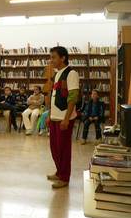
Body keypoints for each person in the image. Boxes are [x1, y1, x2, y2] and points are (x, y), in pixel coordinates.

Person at [47, 46, 80, 189]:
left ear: (63, 58)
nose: (51, 60)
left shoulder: (71, 73)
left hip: (64, 118)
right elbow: (55, 96)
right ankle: (59, 172)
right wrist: (49, 115)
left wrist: (67, 118)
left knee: (63, 149)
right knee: (54, 148)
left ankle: (65, 177)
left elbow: (73, 97)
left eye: (54, 57)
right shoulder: (57, 74)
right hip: (54, 117)